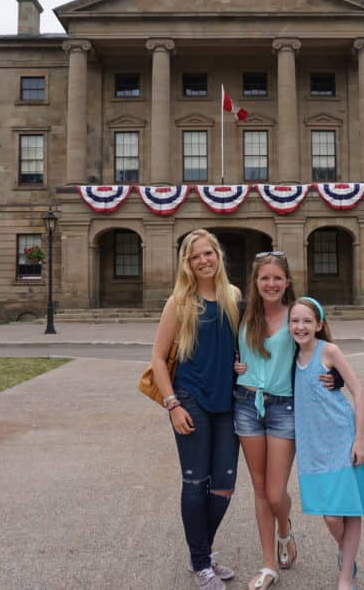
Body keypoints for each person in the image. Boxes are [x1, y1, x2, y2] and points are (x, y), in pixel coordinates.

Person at [232, 251, 336, 590]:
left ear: (287, 281)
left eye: (277, 278)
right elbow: (222, 348)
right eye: (265, 278)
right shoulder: (242, 312)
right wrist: (234, 364)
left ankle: (284, 530)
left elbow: (320, 347)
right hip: (246, 404)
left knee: (276, 494)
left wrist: (339, 379)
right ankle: (267, 565)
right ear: (256, 282)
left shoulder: (296, 314)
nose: (271, 284)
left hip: (283, 408)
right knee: (260, 490)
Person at [150, 229, 242, 590]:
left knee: (224, 486)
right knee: (195, 481)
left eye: (209, 254)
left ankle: (200, 553)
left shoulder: (233, 296)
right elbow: (158, 359)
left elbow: (240, 346)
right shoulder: (179, 302)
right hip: (191, 402)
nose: (204, 260)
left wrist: (242, 366)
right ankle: (202, 562)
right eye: (195, 256)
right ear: (187, 263)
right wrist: (172, 404)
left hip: (228, 404)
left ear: (218, 256)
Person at [289, 296, 364, 590]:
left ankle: (345, 578)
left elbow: (359, 391)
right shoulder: (289, 356)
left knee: (348, 509)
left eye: (307, 321)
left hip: (342, 438)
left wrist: (360, 439)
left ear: (319, 325)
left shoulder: (329, 351)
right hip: (312, 446)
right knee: (330, 517)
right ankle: (347, 553)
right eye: (295, 321)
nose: (301, 326)